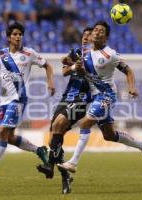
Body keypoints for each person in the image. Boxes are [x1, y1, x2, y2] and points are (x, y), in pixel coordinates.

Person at [56, 21, 142, 173]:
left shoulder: (111, 54)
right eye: (95, 30)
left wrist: (132, 87)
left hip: (107, 95)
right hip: (95, 96)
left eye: (101, 31)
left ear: (105, 37)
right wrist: (69, 62)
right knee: (109, 135)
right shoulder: (86, 51)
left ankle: (73, 163)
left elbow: (128, 71)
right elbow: (81, 71)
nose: (97, 32)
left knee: (85, 123)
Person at [0, 22, 55, 181]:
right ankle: (39, 150)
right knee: (10, 137)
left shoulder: (29, 53)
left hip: (18, 99)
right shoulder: (0, 55)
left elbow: (48, 66)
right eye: (15, 34)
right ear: (8, 37)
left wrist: (50, 82)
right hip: (4, 101)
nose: (18, 37)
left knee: (2, 132)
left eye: (20, 34)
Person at [36, 27, 93, 194]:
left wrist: (76, 66)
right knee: (53, 135)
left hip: (81, 99)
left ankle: (49, 165)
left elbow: (83, 71)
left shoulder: (96, 58)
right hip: (66, 98)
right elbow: (65, 71)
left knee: (59, 124)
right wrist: (73, 64)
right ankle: (65, 176)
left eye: (89, 36)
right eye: (84, 35)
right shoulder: (76, 52)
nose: (85, 38)